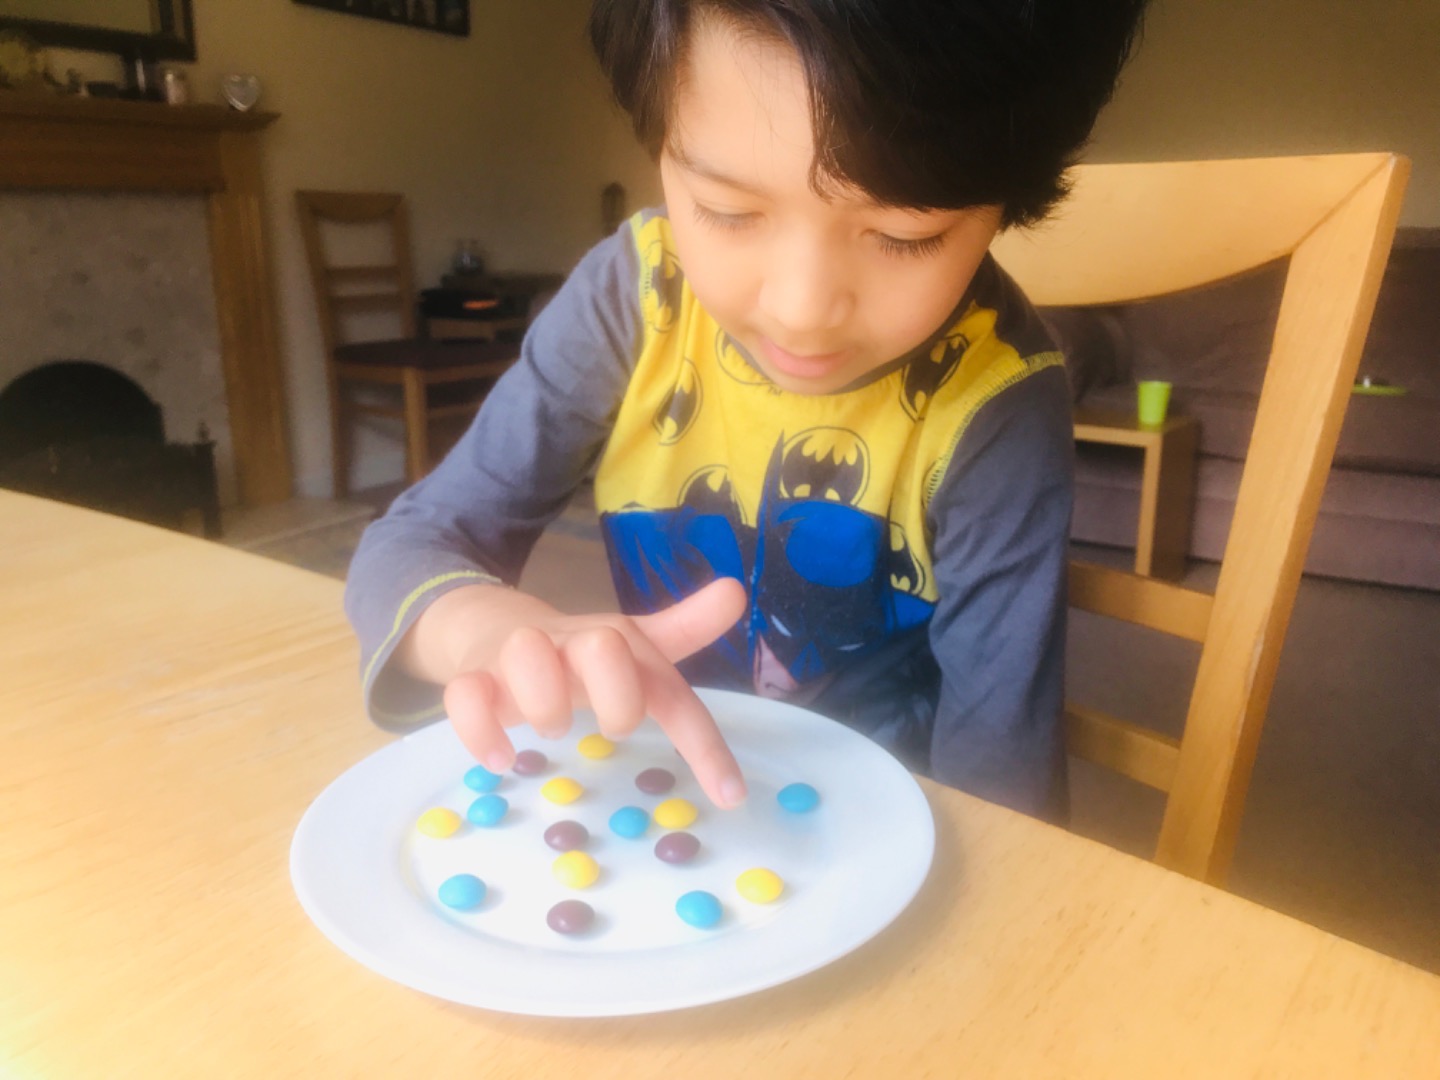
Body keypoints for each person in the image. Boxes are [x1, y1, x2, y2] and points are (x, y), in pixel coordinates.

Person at [344, 0, 1148, 820]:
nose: (801, 311)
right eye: (728, 212)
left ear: (1008, 204)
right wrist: (479, 629)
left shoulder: (998, 400)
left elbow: (1002, 787)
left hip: (886, 819)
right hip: (657, 794)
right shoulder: (634, 298)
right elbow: (410, 544)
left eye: (904, 236)